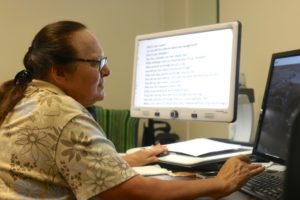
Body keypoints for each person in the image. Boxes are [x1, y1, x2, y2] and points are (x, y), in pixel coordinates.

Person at [0, 20, 264, 200]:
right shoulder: (63, 112)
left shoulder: (26, 96)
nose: (107, 71)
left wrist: (120, 163)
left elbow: (51, 167)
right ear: (58, 71)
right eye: (96, 63)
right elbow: (132, 193)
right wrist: (221, 183)